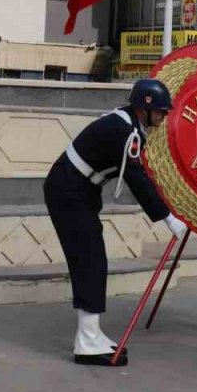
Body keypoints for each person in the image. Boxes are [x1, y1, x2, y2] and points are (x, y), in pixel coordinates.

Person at [44, 78, 187, 367]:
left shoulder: (128, 126)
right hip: (69, 193)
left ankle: (92, 334)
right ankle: (86, 341)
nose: (164, 115)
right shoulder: (124, 131)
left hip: (77, 192)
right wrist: (168, 218)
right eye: (160, 110)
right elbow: (137, 178)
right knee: (90, 261)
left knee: (94, 261)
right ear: (144, 108)